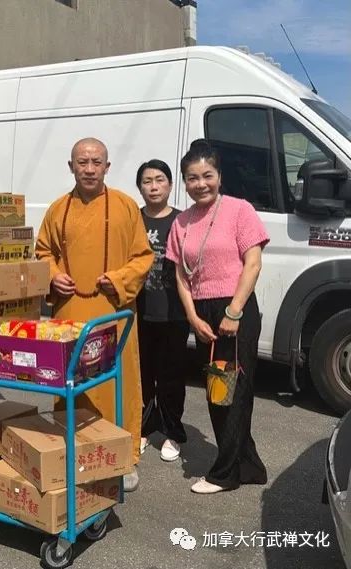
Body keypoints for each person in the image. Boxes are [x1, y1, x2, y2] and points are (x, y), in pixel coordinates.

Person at [35, 138, 154, 492]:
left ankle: (122, 457)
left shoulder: (126, 206)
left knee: (117, 385)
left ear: (107, 166)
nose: (89, 168)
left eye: (96, 162)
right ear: (70, 166)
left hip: (113, 312)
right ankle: (70, 451)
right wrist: (53, 274)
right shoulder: (58, 209)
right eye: (82, 162)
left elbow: (143, 257)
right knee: (73, 383)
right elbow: (43, 251)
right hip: (70, 311)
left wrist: (118, 279)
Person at [166, 139, 269, 494]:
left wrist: (234, 311)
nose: (200, 184)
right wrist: (193, 318)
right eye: (192, 178)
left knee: (234, 392)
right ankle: (249, 465)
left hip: (235, 308)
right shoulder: (182, 222)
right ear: (185, 181)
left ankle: (224, 474)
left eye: (207, 175)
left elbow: (252, 264)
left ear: (219, 176)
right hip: (204, 311)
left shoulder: (240, 210)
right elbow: (181, 275)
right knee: (217, 389)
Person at [136, 159, 190, 462]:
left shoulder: (183, 221)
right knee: (142, 373)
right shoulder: (133, 218)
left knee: (171, 376)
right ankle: (143, 428)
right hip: (139, 311)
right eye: (147, 181)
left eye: (159, 180)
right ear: (140, 187)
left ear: (170, 185)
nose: (153, 186)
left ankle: (172, 431)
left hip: (174, 313)